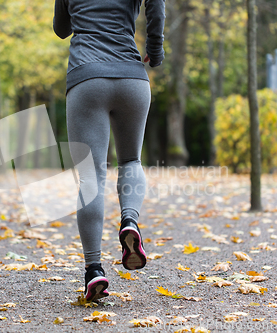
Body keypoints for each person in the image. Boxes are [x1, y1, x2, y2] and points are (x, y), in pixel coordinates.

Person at [53, 0, 166, 302]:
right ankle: (129, 221)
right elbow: (156, 5)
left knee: (91, 176)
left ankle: (94, 271)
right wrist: (155, 49)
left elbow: (61, 29)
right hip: (132, 76)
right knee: (131, 160)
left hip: (87, 78)